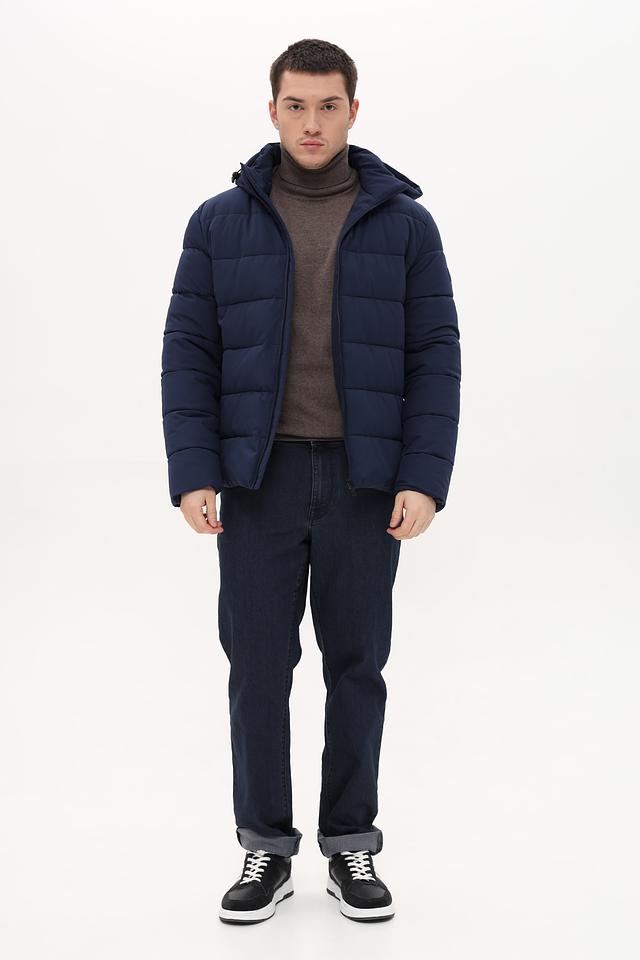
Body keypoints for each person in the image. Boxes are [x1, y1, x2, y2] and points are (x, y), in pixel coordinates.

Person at [161, 38, 461, 924]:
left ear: (353, 111)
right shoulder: (220, 223)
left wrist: (423, 477)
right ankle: (266, 845)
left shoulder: (405, 226)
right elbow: (189, 352)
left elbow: (436, 356)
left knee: (358, 666)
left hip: (368, 483)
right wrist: (194, 471)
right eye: (296, 105)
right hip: (260, 481)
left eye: (329, 105)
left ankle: (351, 843)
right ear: (273, 111)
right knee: (258, 669)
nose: (313, 122)